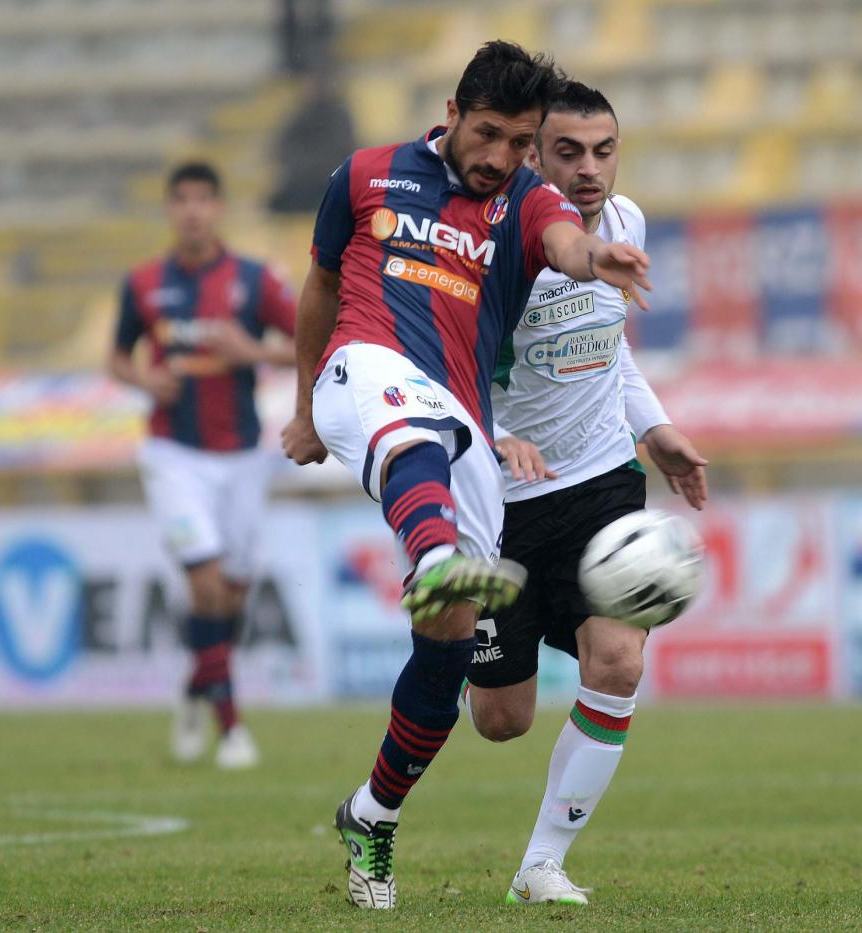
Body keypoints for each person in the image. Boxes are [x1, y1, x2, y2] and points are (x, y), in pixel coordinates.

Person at [280, 41, 652, 909]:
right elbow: (320, 289)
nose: (500, 156)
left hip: (464, 427)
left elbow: (564, 241)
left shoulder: (527, 198)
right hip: (364, 370)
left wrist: (596, 260)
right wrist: (302, 409)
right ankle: (437, 554)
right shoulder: (365, 176)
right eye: (488, 134)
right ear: (452, 113)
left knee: (455, 665)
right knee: (413, 430)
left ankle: (372, 811)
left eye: (520, 142)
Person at [459, 81, 708, 906]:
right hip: (499, 499)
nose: (589, 169)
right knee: (501, 720)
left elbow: (611, 346)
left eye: (603, 151)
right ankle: (450, 631)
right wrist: (494, 434)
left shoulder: (627, 223)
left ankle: (542, 864)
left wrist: (655, 427)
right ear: (532, 156)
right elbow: (446, 365)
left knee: (619, 659)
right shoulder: (497, 247)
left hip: (603, 482)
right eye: (568, 152)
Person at [108, 161, 297, 770]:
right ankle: (232, 730)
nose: (192, 211)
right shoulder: (143, 283)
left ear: (218, 209)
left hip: (242, 455)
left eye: (203, 199)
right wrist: (145, 380)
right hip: (174, 454)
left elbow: (312, 343)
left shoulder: (253, 280)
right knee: (206, 584)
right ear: (170, 209)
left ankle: (197, 687)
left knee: (231, 597)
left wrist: (252, 351)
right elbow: (117, 358)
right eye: (182, 200)